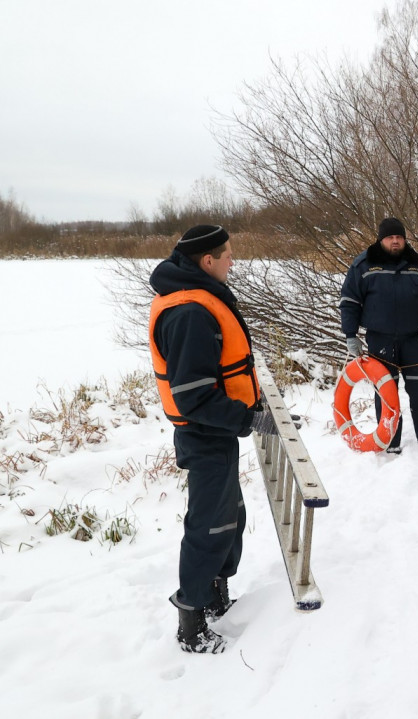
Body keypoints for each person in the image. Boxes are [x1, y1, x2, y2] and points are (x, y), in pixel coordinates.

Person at [149, 224, 273, 654]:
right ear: (207, 261)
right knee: (209, 523)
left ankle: (216, 598)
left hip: (216, 432)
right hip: (204, 434)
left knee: (228, 516)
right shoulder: (189, 313)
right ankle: (192, 620)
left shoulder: (198, 300)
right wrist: (250, 420)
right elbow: (193, 397)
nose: (233, 261)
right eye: (228, 255)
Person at [340, 218, 418, 451]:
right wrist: (350, 334)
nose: (396, 241)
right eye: (390, 237)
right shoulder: (364, 265)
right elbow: (349, 301)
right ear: (381, 240)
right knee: (386, 391)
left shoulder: (417, 265)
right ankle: (390, 440)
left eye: (399, 237)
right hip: (380, 338)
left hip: (413, 337)